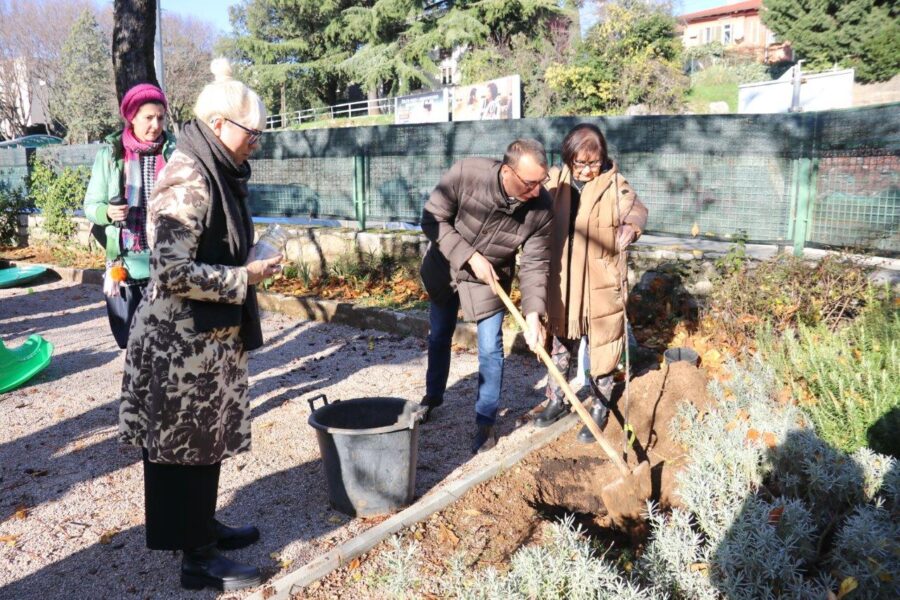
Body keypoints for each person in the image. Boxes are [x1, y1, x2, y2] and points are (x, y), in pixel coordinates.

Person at [118, 58, 282, 592]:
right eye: (250, 131)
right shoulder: (188, 175)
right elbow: (171, 270)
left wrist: (247, 257)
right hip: (178, 347)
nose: (256, 141)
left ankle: (202, 527)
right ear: (218, 125)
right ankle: (198, 558)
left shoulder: (216, 170)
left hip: (203, 341)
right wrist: (244, 276)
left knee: (203, 443)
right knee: (182, 448)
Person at [419, 139, 553, 454]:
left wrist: (533, 314)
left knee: (491, 350)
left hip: (489, 281)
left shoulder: (540, 208)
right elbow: (432, 220)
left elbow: (536, 264)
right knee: (439, 336)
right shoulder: (467, 174)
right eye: (530, 183)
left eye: (541, 182)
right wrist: (469, 256)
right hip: (446, 266)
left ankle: (485, 420)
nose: (537, 191)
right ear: (507, 171)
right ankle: (432, 398)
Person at [534, 123, 648, 443]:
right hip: (565, 282)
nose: (586, 170)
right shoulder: (555, 180)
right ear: (568, 157)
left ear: (603, 159)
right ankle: (557, 398)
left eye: (593, 162)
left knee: (602, 346)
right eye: (579, 163)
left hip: (600, 281)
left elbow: (636, 208)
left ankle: (599, 405)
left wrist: (632, 227)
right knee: (560, 343)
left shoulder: (614, 183)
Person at [84, 83, 176, 349]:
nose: (156, 125)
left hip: (167, 258)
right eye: (148, 117)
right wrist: (107, 212)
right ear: (132, 117)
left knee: (166, 336)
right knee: (132, 338)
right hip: (126, 262)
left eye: (160, 117)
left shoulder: (174, 153)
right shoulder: (111, 155)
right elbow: (91, 205)